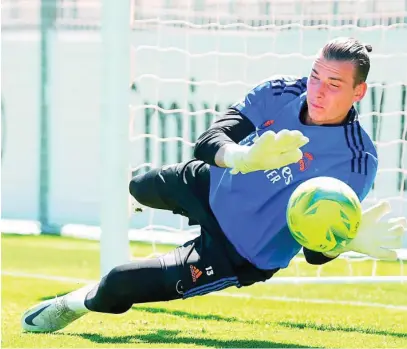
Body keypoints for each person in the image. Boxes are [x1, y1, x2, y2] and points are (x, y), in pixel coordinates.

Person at [21, 37, 406, 333]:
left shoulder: (356, 159)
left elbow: (315, 254)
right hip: (212, 185)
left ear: (359, 92)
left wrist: (346, 237)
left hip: (238, 251)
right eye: (315, 76)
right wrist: (243, 157)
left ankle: (71, 304)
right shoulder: (281, 92)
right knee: (139, 186)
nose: (317, 91)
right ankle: (156, 204)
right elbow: (210, 140)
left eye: (334, 84)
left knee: (119, 283)